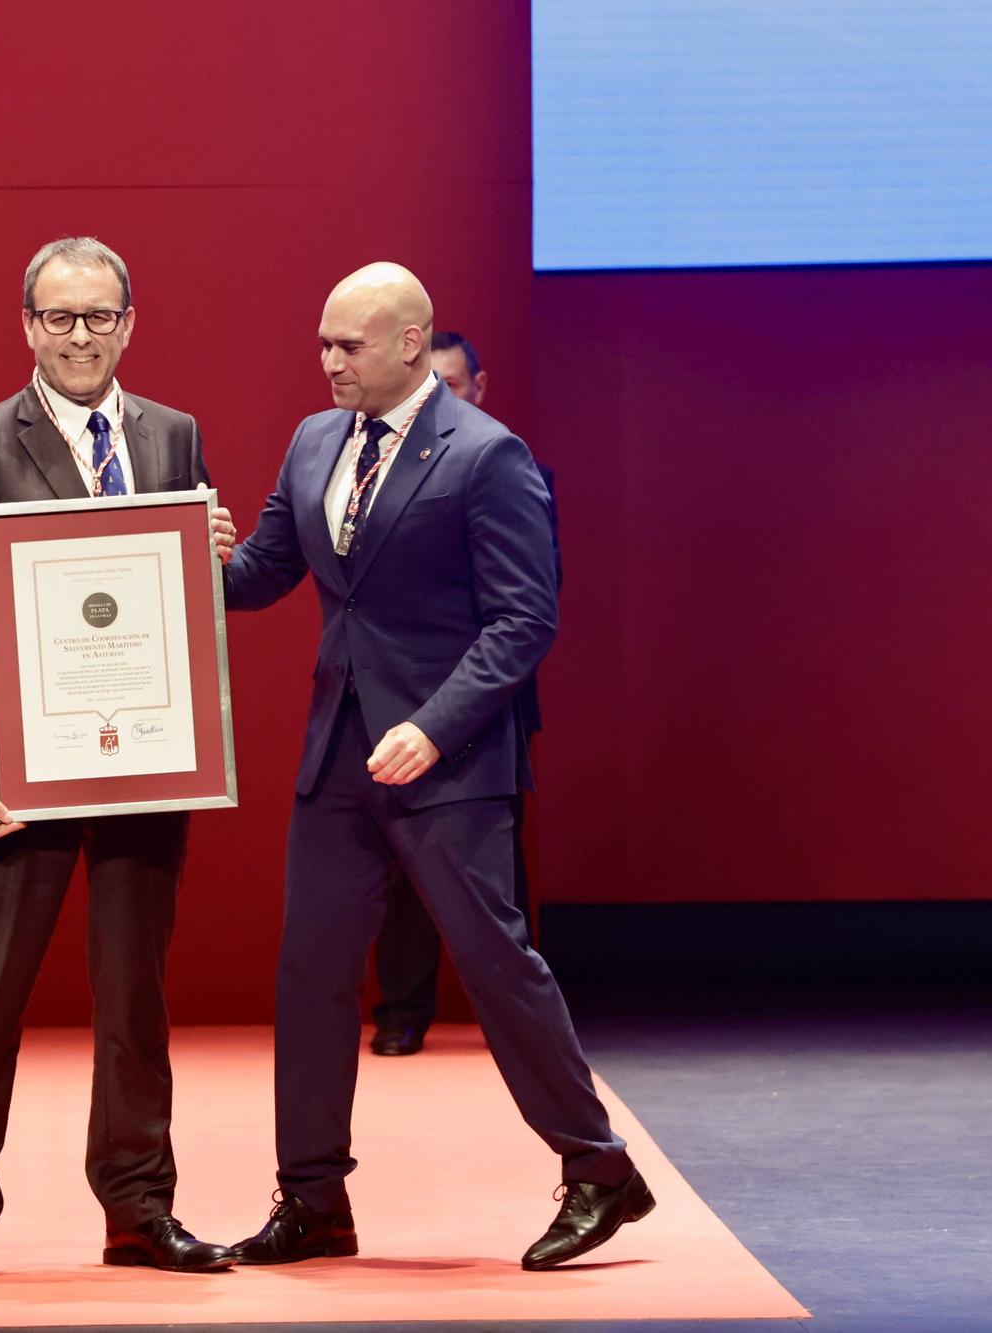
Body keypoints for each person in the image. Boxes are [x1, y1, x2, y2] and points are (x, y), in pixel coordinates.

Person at [221, 263, 651, 1271]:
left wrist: (436, 724)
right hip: (337, 752)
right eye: (321, 343)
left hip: (445, 761)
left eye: (348, 345)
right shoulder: (312, 440)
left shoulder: (487, 455)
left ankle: (598, 1168)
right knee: (310, 975)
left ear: (410, 344)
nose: (327, 362)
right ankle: (313, 1198)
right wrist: (188, 561)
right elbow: (263, 573)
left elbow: (523, 618)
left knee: (496, 965)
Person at [0, 237, 236, 1285]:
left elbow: (173, 606)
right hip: (18, 779)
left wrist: (208, 553)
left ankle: (139, 1207)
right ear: (26, 326)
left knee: (134, 1004)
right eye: (59, 318)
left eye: (98, 316)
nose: (80, 336)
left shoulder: (171, 434)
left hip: (145, 765)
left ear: (129, 323)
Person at [370, 329, 560, 1056]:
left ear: (479, 387)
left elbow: (534, 601)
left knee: (494, 871)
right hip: (398, 700)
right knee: (399, 863)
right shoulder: (373, 470)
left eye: (452, 385)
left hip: (491, 702)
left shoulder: (509, 463)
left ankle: (517, 1019)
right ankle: (402, 1010)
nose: (437, 396)